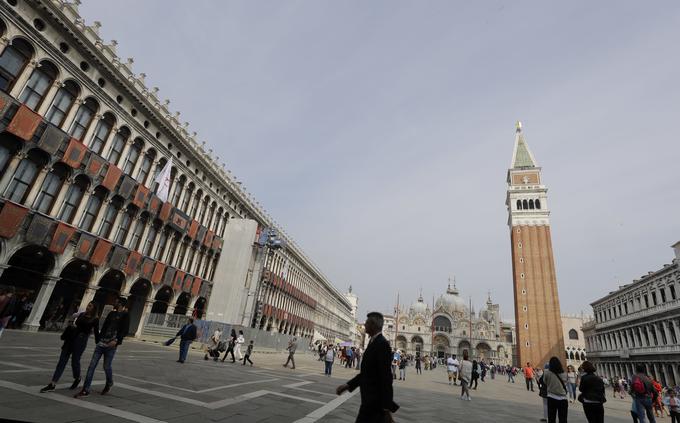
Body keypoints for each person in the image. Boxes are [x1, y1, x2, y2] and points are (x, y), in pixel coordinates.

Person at [336, 312, 399, 422]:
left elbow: (386, 377)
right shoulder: (373, 342)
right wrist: (347, 385)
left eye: (367, 323)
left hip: (375, 404)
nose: (364, 325)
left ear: (373, 325)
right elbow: (367, 373)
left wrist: (386, 409)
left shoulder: (382, 344)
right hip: (369, 402)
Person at [40, 302, 100, 393]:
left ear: (94, 308)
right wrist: (71, 324)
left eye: (90, 306)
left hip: (81, 341)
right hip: (71, 338)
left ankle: (77, 377)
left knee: (75, 361)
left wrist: (99, 343)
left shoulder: (95, 319)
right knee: (62, 361)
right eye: (88, 305)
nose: (88, 307)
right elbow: (73, 319)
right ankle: (52, 383)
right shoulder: (81, 314)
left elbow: (96, 333)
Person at [75, 297, 129, 397]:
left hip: (111, 345)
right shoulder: (111, 313)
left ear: (120, 303)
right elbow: (104, 327)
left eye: (116, 301)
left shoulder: (126, 315)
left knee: (106, 366)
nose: (114, 303)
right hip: (101, 343)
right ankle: (85, 389)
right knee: (91, 366)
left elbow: (125, 330)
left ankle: (109, 382)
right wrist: (99, 339)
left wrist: (117, 341)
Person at [543, 356, 568, 423]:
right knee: (563, 419)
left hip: (551, 397)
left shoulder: (547, 372)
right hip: (563, 399)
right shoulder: (565, 374)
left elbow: (545, 382)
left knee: (551, 418)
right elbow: (565, 383)